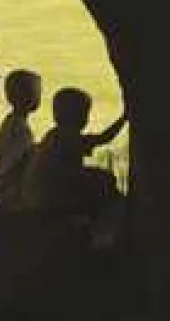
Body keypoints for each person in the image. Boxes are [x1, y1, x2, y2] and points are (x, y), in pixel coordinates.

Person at [26, 87, 128, 245]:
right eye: (85, 114)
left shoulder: (53, 135)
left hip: (45, 191)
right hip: (58, 193)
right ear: (79, 117)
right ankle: (101, 233)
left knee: (100, 177)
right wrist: (124, 118)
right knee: (105, 180)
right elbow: (105, 138)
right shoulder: (72, 138)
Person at [0, 69, 42, 224]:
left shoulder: (10, 122)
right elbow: (16, 165)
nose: (39, 96)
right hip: (6, 199)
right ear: (27, 97)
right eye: (37, 91)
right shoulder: (19, 130)